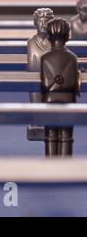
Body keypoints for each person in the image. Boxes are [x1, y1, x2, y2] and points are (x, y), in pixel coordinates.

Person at [41, 18, 79, 157]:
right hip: (68, 100)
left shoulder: (45, 58)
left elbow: (45, 84)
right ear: (67, 36)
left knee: (50, 134)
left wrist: (55, 84)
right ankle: (65, 167)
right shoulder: (72, 58)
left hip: (49, 100)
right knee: (66, 135)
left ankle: (51, 166)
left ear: (49, 36)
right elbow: (72, 84)